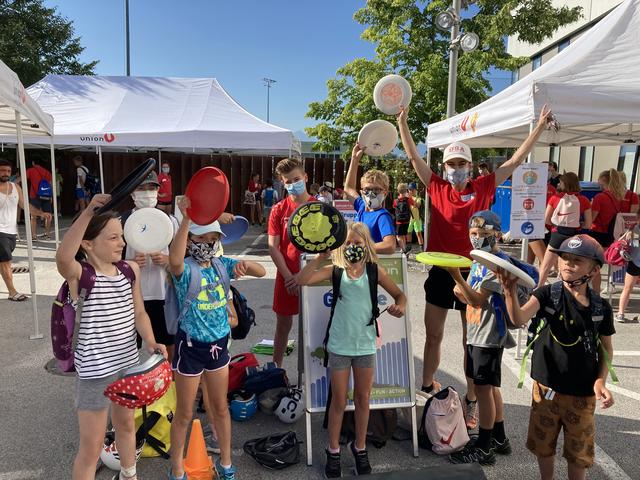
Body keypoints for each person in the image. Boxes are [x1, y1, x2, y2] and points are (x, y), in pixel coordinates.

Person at [397, 104, 552, 431]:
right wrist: (402, 122)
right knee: (433, 334)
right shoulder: (436, 186)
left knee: (472, 342)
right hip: (441, 273)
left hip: (476, 277)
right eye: (451, 164)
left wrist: (537, 128)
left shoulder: (483, 187)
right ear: (445, 166)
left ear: (470, 166)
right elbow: (413, 158)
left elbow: (513, 161)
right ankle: (427, 387)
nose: (456, 169)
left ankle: (470, 399)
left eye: (461, 164)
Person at [55, 194, 167, 480]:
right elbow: (63, 257)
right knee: (91, 448)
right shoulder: (81, 274)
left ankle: (129, 475)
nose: (122, 243)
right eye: (114, 238)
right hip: (94, 372)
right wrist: (88, 213)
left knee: (127, 427)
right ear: (88, 244)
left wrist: (152, 340)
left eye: (122, 237)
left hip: (126, 366)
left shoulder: (130, 271)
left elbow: (139, 313)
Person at [496, 234, 615, 480]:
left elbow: (607, 348)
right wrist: (509, 292)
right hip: (546, 388)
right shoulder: (547, 294)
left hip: (582, 394)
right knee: (544, 446)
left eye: (576, 261)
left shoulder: (599, 308)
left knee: (578, 453)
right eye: (564, 258)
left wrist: (600, 380)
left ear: (594, 270)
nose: (567, 264)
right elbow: (518, 319)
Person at [297, 222, 406, 478]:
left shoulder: (374, 271)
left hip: (365, 344)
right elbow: (302, 281)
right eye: (348, 244)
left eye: (358, 243)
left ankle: (359, 447)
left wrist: (400, 307)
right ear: (340, 247)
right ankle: (333, 450)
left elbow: (400, 296)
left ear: (366, 246)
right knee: (338, 400)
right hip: (339, 345)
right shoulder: (335, 271)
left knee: (363, 399)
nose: (353, 248)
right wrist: (319, 258)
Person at [168, 196, 265, 480]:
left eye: (213, 239)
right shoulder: (185, 269)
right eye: (203, 238)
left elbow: (260, 272)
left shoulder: (223, 265)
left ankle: (225, 463)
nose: (208, 244)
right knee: (185, 413)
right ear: (189, 239)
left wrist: (247, 266)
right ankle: (176, 467)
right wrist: (186, 219)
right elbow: (174, 259)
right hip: (190, 348)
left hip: (219, 347)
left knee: (220, 407)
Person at [445, 211, 515, 465]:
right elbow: (470, 295)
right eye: (473, 233)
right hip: (477, 331)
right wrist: (462, 288)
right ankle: (498, 437)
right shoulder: (478, 259)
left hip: (488, 335)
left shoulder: (496, 264)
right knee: (489, 388)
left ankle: (485, 447)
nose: (477, 238)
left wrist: (456, 277)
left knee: (484, 391)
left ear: (497, 234)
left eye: (484, 234)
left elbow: (477, 298)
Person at [122, 170, 179, 362]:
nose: (147, 193)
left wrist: (168, 261)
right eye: (141, 188)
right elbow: (108, 261)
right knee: (128, 346)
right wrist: (127, 265)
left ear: (158, 192)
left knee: (167, 342)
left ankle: (168, 383)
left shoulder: (170, 222)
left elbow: (182, 261)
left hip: (162, 293)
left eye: (151, 188)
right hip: (130, 296)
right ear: (132, 193)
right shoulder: (121, 221)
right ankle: (132, 384)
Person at [268, 158, 312, 367]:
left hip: (313, 276)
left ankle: (316, 373)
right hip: (286, 277)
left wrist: (303, 276)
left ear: (305, 177)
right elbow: (273, 247)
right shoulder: (278, 209)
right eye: (288, 181)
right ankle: (277, 370)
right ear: (282, 183)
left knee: (315, 325)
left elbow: (326, 251)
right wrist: (289, 277)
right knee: (283, 325)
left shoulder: (319, 208)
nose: (293, 184)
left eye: (296, 179)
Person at [0, 160, 51, 301]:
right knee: (6, 262)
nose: (6, 173)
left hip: (11, 232)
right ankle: (12, 292)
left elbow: (25, 205)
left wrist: (41, 213)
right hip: (0, 232)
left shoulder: (15, 187)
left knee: (4, 261)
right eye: (3, 170)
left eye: (8, 171)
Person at [537, 172, 592, 288]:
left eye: (560, 182)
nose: (558, 184)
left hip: (557, 234)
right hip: (574, 236)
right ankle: (569, 290)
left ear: (565, 184)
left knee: (546, 265)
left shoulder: (555, 198)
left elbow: (547, 220)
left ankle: (538, 289)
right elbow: (588, 224)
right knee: (570, 267)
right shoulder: (584, 200)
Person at [343, 144, 396, 254]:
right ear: (362, 191)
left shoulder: (382, 216)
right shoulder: (362, 207)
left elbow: (390, 245)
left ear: (385, 193)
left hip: (371, 266)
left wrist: (360, 248)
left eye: (376, 190)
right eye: (367, 189)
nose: (371, 193)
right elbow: (348, 189)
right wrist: (354, 159)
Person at [589, 169, 628, 292]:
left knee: (593, 264)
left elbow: (592, 218)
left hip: (597, 232)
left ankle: (594, 291)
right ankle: (604, 288)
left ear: (603, 180)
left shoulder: (600, 197)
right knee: (602, 262)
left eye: (599, 179)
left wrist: (590, 206)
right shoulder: (617, 197)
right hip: (609, 233)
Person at [615, 210, 640, 323]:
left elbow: (622, 242)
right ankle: (620, 313)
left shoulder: (633, 229)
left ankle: (620, 313)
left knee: (627, 288)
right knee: (627, 288)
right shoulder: (633, 229)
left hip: (634, 262)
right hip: (634, 261)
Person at [25, 157, 53, 240]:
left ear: (33, 163)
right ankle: (47, 234)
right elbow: (50, 185)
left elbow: (23, 178)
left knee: (33, 216)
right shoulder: (47, 172)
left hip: (34, 195)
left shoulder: (30, 170)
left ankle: (34, 236)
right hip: (46, 195)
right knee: (48, 215)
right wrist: (51, 196)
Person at [393, 182, 413, 253]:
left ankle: (404, 250)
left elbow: (394, 208)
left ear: (398, 191)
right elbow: (415, 205)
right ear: (406, 190)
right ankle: (404, 248)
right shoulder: (409, 199)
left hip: (399, 221)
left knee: (398, 236)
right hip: (407, 220)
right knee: (404, 235)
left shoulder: (395, 201)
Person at [407, 182, 424, 249]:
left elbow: (417, 205)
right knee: (408, 233)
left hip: (417, 219)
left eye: (412, 189)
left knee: (418, 233)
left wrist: (410, 199)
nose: (411, 191)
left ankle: (421, 249)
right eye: (410, 189)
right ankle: (408, 248)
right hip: (409, 219)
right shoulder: (407, 198)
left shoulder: (418, 198)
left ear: (415, 190)